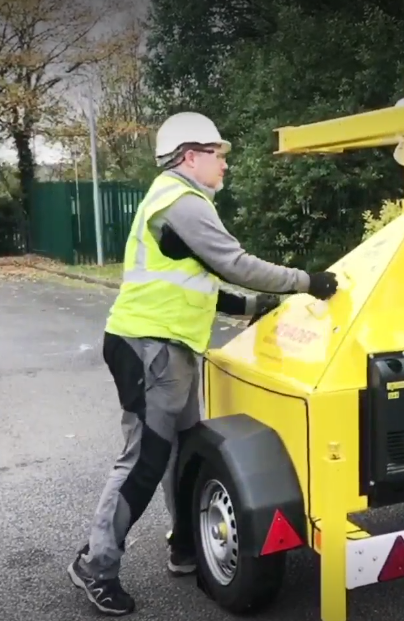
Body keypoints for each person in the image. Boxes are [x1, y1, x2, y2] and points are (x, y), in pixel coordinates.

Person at [66, 111, 340, 616]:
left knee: (183, 450)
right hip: (150, 347)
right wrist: (306, 281)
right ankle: (95, 566)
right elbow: (235, 264)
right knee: (144, 459)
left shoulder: (170, 201)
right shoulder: (183, 201)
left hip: (167, 346)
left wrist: (260, 308)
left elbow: (203, 288)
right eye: (219, 154)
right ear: (190, 156)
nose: (225, 165)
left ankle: (183, 545)